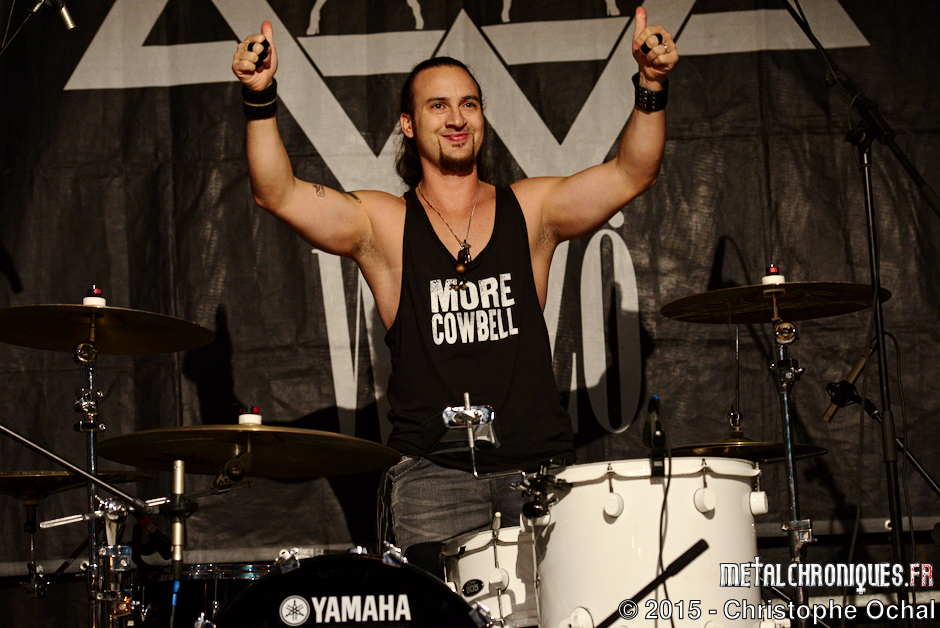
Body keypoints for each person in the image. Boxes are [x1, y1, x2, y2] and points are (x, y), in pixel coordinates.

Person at [232, 7, 677, 566]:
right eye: (437, 105)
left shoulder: (531, 210)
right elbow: (277, 193)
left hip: (535, 471)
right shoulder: (385, 225)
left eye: (468, 104)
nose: (456, 118)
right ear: (408, 124)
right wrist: (259, 96)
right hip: (431, 481)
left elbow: (633, 172)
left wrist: (651, 84)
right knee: (439, 610)